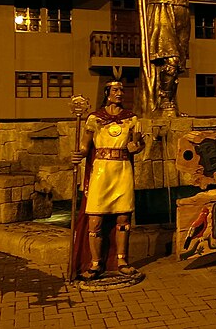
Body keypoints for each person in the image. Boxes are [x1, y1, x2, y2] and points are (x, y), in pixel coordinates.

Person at [71, 80, 145, 281]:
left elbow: (139, 144)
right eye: (115, 90)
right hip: (101, 171)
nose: (120, 93)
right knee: (95, 219)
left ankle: (122, 260)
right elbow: (85, 146)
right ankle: (95, 263)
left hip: (122, 170)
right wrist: (79, 154)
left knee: (123, 218)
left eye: (122, 89)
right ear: (107, 93)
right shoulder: (94, 119)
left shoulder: (131, 119)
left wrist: (136, 147)